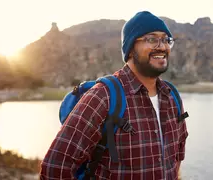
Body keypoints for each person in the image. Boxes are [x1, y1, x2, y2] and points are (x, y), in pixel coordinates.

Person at [40, 11, 189, 180]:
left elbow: (176, 158)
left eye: (166, 40)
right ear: (131, 48)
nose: (162, 46)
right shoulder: (103, 96)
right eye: (152, 39)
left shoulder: (172, 97)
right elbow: (54, 169)